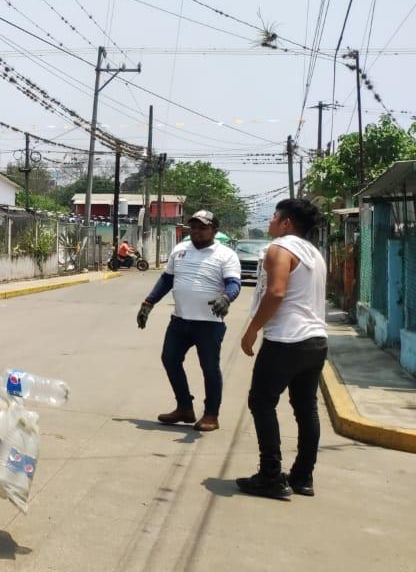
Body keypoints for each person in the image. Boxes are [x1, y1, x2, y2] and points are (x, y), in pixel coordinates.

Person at [235, 199, 328, 500]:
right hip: (316, 341)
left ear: (286, 223)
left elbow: (276, 293)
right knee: (306, 408)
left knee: (261, 402)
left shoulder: (280, 249)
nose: (270, 221)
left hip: (286, 340)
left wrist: (252, 329)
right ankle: (303, 477)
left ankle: (271, 476)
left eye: (274, 217)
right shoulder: (314, 253)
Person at [136, 210, 241, 432]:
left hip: (209, 323)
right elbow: (167, 280)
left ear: (214, 230)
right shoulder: (180, 250)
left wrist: (226, 297)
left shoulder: (226, 255)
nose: (196, 231)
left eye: (202, 227)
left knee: (209, 368)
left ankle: (211, 414)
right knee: (169, 360)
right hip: (180, 320)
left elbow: (234, 283)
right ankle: (184, 407)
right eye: (193, 227)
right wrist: (148, 303)